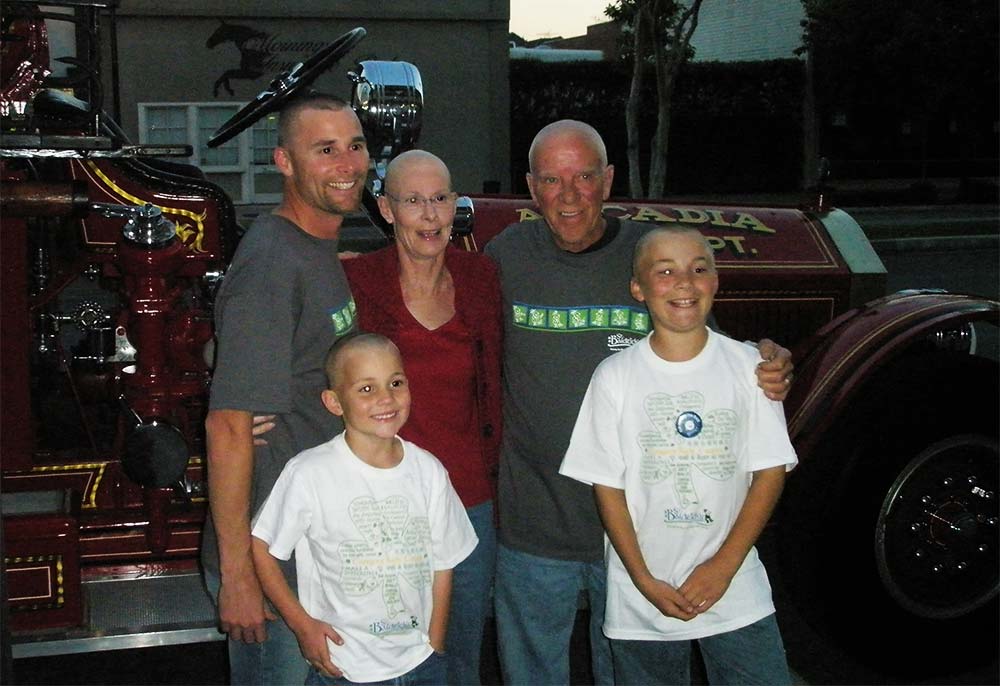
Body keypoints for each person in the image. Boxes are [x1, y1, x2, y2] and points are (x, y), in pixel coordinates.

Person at [483, 119, 794, 685]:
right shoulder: (505, 256)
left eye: (584, 176)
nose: (570, 194)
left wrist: (765, 360)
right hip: (535, 526)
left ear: (609, 179)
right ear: (531, 188)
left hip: (643, 540)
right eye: (552, 180)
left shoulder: (651, 256)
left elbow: (706, 354)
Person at [559, 226, 797, 685]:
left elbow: (769, 472)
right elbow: (607, 486)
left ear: (715, 282)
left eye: (698, 269)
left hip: (735, 587)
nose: (684, 282)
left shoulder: (751, 369)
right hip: (645, 593)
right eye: (664, 271)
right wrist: (643, 580)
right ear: (638, 289)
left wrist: (722, 567)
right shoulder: (615, 376)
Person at [203, 92, 367, 685]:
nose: (347, 163)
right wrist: (239, 575)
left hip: (310, 548)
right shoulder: (274, 261)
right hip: (271, 563)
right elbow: (227, 427)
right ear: (285, 162)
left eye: (355, 145)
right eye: (324, 150)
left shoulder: (313, 249)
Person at [342, 149, 503, 686]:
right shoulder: (357, 281)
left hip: (470, 500)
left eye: (439, 199)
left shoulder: (483, 278)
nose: (429, 215)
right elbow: (308, 362)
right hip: (387, 504)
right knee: (388, 651)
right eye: (412, 200)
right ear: (387, 210)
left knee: (460, 651)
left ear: (455, 204)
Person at [251, 333, 478, 685]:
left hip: (420, 662)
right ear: (334, 402)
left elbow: (443, 562)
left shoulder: (428, 470)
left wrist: (434, 642)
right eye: (366, 389)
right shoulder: (310, 472)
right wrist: (302, 626)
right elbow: (263, 547)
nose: (386, 398)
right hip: (344, 668)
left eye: (396, 383)